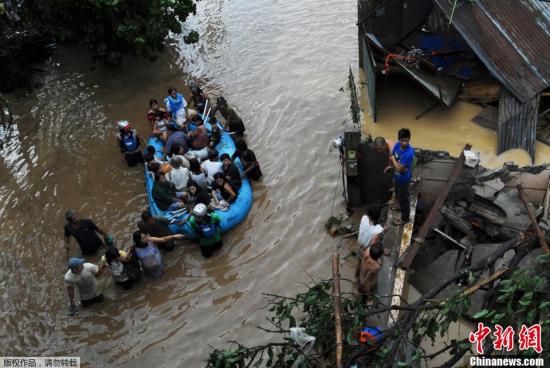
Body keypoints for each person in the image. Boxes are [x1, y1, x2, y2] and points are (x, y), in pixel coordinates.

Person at [385, 128, 414, 226]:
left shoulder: (409, 153)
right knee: (397, 192)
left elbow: (399, 169)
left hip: (404, 179)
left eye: (406, 140)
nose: (404, 143)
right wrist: (391, 165)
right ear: (399, 140)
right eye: (402, 140)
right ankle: (398, 204)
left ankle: (405, 218)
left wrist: (393, 160)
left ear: (409, 139)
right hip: (397, 177)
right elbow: (393, 155)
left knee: (404, 199)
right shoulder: (397, 145)